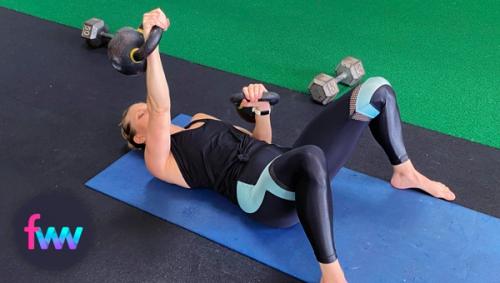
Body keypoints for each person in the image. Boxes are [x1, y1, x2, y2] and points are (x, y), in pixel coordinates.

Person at [119, 8, 455, 283]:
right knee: (311, 157)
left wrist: (261, 109)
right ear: (140, 137)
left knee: (377, 90)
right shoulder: (159, 159)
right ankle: (332, 273)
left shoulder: (201, 118)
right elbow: (161, 106)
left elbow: (260, 139)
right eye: (139, 114)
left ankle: (404, 171)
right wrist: (153, 46)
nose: (145, 108)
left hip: (285, 165)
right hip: (262, 197)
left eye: (142, 105)